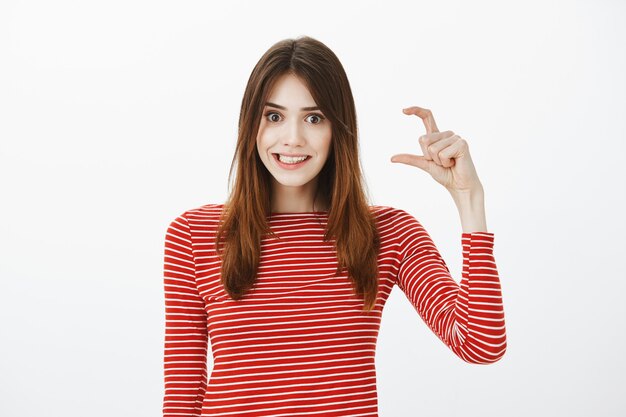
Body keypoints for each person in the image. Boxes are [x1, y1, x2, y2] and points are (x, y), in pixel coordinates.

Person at [162, 35, 506, 417]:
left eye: (314, 117)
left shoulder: (389, 233)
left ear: (337, 129)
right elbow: (184, 394)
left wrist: (469, 199)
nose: (292, 138)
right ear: (251, 125)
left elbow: (481, 344)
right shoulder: (193, 234)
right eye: (274, 116)